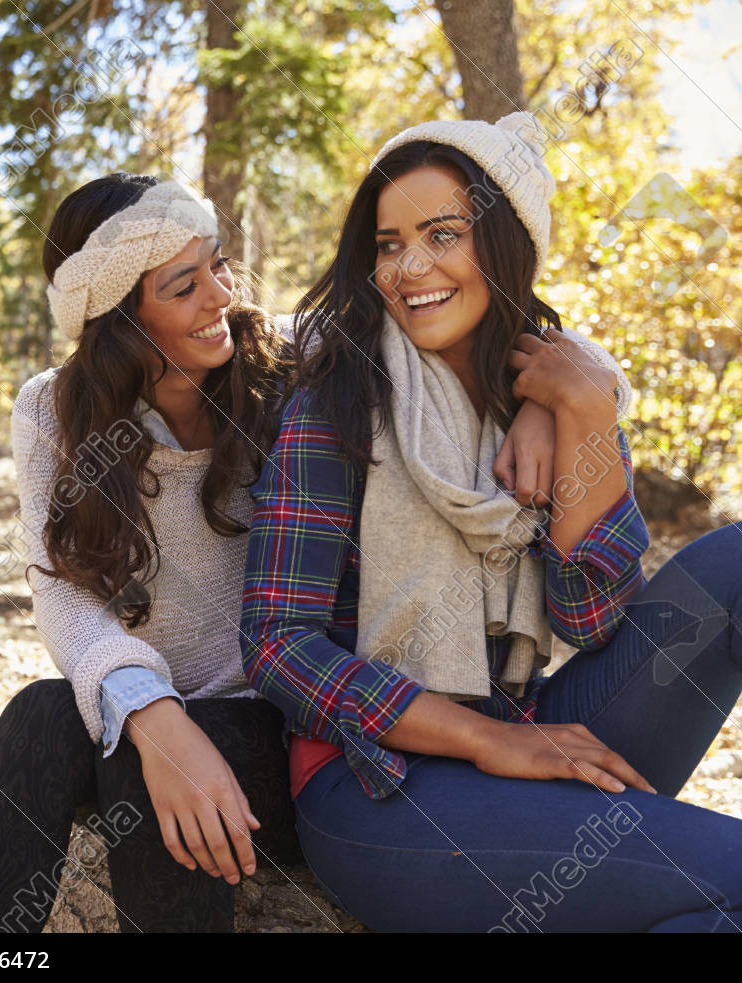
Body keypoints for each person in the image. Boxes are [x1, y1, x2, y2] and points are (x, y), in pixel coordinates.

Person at [0, 170, 631, 932]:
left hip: (288, 717)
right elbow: (62, 592)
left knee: (132, 758)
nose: (220, 295)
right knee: (41, 712)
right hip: (154, 708)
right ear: (117, 317)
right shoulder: (50, 409)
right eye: (182, 284)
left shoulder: (291, 358)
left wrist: (546, 403)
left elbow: (471, 324)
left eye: (218, 263)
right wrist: (159, 717)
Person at [241, 111, 742, 932]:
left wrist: (581, 408)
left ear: (507, 244)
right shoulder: (335, 403)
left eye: (443, 234)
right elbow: (275, 641)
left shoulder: (561, 387)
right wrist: (483, 739)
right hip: (378, 783)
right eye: (389, 242)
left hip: (533, 728)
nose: (411, 267)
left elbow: (593, 615)